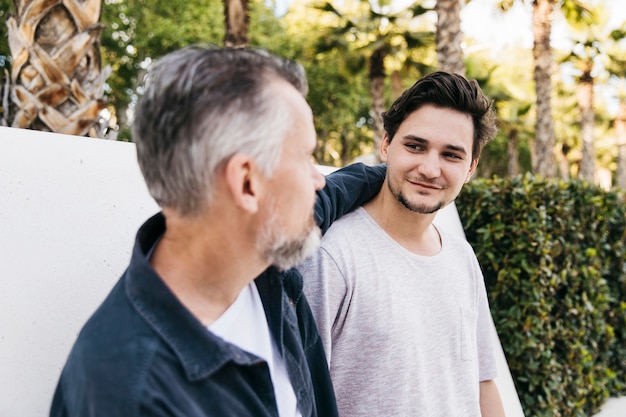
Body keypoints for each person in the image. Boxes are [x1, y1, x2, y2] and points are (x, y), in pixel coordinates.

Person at [50, 46, 385, 417]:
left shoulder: (260, 249)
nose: (318, 179)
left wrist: (400, 174)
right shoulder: (128, 392)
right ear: (246, 183)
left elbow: (335, 191)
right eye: (305, 157)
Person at [298, 71, 506, 417]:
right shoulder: (332, 256)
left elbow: (482, 383)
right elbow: (299, 395)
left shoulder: (462, 257)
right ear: (385, 145)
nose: (429, 168)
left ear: (471, 168)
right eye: (415, 146)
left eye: (451, 155)